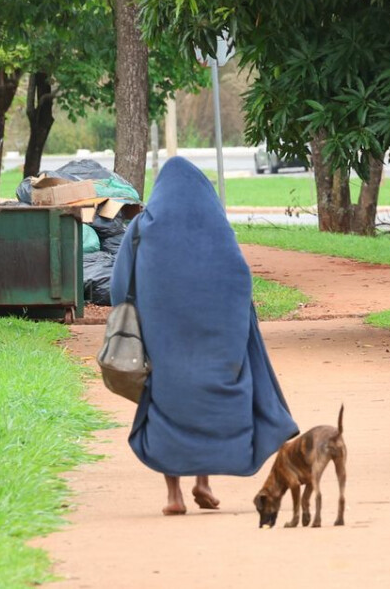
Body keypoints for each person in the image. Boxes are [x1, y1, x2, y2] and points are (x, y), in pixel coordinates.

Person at [110, 156, 299, 515]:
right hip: (214, 337)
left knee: (168, 404)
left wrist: (137, 317)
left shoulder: (141, 229)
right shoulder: (217, 228)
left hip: (162, 339)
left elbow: (120, 285)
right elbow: (240, 278)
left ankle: (174, 495)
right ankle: (203, 482)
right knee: (206, 400)